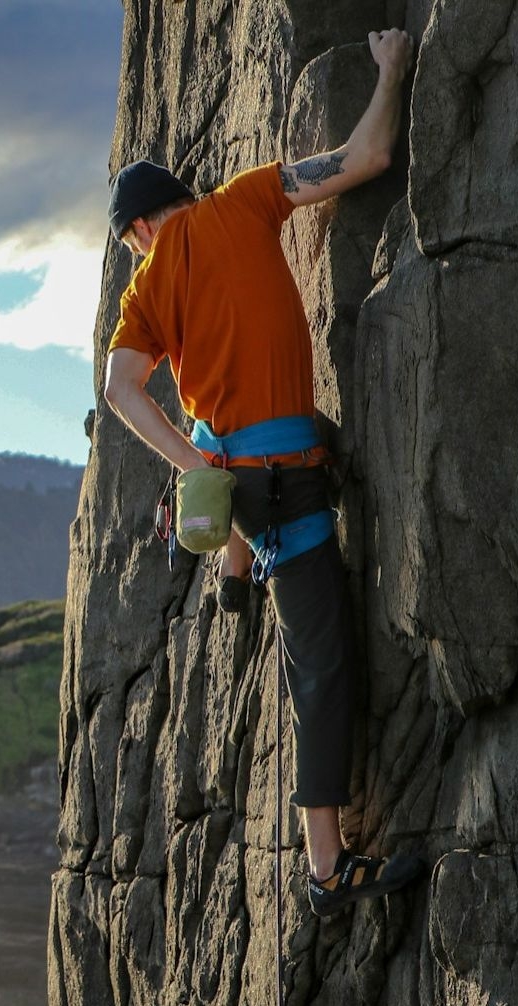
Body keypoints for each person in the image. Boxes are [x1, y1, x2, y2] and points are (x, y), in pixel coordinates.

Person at [101, 29, 423, 917]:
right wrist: (392, 68)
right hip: (290, 479)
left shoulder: (145, 288)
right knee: (317, 666)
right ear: (181, 199)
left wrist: (191, 462)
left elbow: (120, 388)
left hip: (245, 485)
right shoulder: (246, 199)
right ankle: (324, 868)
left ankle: (234, 563)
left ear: (136, 230)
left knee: (212, 437)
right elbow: (369, 156)